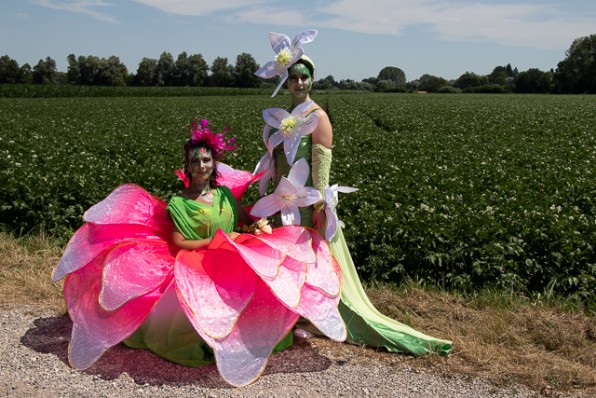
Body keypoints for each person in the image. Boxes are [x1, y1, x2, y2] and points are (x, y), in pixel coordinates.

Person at [52, 118, 346, 387]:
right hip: (198, 261)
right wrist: (215, 241)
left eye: (207, 160)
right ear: (188, 165)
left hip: (232, 255)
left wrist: (256, 228)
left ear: (214, 163)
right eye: (196, 161)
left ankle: (265, 333)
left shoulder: (225, 195)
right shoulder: (179, 203)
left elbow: (244, 220)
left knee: (282, 262)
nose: (202, 165)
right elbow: (179, 242)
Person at [254, 32, 452, 356]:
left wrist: (319, 205)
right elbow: (275, 162)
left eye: (304, 77)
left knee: (307, 261)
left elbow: (321, 168)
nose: (299, 82)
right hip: (281, 202)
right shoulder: (281, 117)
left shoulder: (318, 118)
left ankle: (310, 318)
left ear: (312, 80)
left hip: (304, 204)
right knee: (286, 262)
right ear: (286, 81)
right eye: (293, 77)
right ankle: (292, 317)